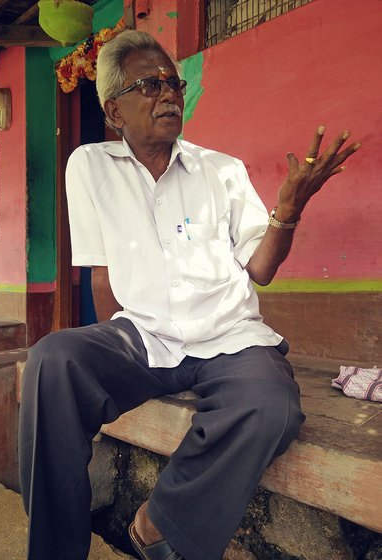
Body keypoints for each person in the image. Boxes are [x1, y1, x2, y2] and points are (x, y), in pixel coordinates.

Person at [19, 30, 361, 560]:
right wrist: (116, 360)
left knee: (270, 405)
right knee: (52, 361)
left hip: (230, 334)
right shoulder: (87, 166)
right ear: (114, 109)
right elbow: (102, 274)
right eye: (149, 85)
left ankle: (158, 521)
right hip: (145, 334)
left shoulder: (221, 170)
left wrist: (287, 211)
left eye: (173, 83)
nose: (169, 94)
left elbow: (261, 269)